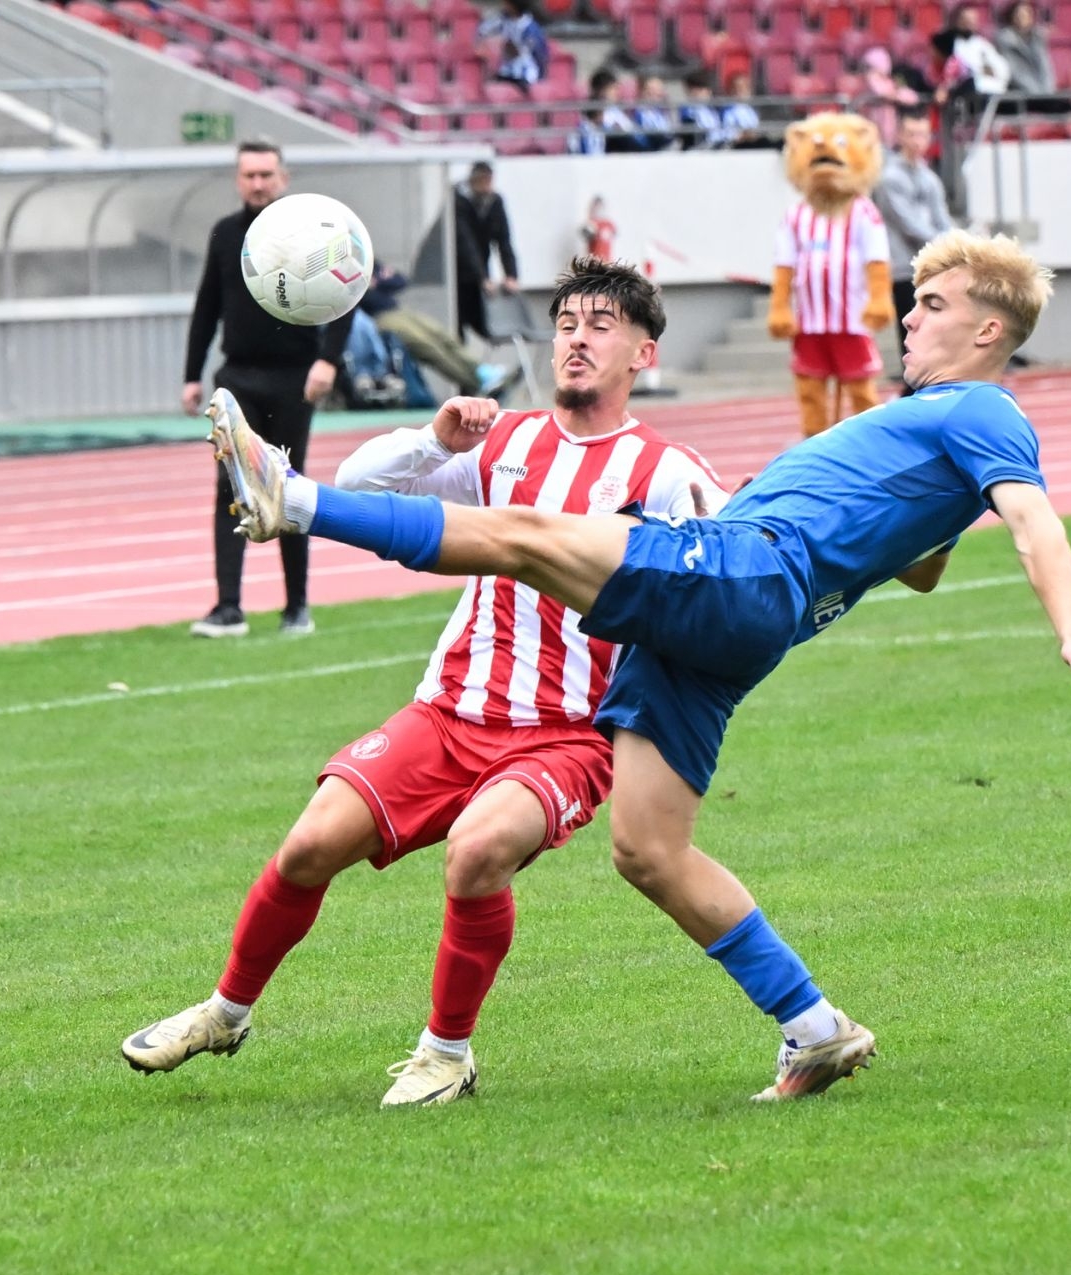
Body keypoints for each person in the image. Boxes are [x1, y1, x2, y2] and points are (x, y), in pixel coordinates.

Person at [204, 229, 1071, 1100]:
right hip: (740, 627)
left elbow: (1033, 519)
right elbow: (921, 569)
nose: (909, 317)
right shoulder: (929, 422)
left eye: (932, 305)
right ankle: (815, 1026)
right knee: (649, 851)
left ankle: (294, 500)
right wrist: (893, 512)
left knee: (525, 537)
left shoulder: (982, 407)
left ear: (988, 331)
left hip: (748, 570)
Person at [124, 257, 726, 1106]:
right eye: (566, 325)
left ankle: (446, 1055)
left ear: (644, 354)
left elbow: (731, 575)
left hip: (565, 736)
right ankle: (225, 1013)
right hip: (449, 711)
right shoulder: (506, 442)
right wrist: (436, 441)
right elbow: (363, 487)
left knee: (477, 853)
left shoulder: (666, 471)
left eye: (600, 326)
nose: (577, 341)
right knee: (308, 846)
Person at [182, 139, 345, 640]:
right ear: (238, 180)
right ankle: (228, 608)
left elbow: (345, 292)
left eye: (266, 175)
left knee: (287, 487)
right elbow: (207, 305)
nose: (258, 184)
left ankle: (297, 607)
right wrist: (191, 374)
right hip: (238, 377)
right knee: (230, 488)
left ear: (283, 178)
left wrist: (328, 360)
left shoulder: (310, 232)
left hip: (294, 379)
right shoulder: (226, 233)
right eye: (249, 175)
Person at [873, 110, 953, 386]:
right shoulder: (890, 178)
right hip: (904, 267)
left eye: (922, 134)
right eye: (911, 134)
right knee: (912, 334)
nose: (917, 140)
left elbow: (942, 218)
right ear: (899, 136)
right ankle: (912, 388)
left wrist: (956, 241)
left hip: (930, 266)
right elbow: (909, 225)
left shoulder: (929, 177)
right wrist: (946, 243)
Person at [361, 261, 517, 400]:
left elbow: (399, 280)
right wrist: (375, 282)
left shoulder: (365, 257)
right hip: (376, 319)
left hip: (397, 310)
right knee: (430, 347)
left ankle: (483, 372)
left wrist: (375, 282)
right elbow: (362, 294)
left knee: (442, 336)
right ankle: (479, 384)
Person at [453, 161, 521, 343]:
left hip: (479, 269)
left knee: (483, 321)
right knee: (459, 319)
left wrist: (511, 274)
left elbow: (504, 240)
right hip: (456, 271)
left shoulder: (494, 201)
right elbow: (465, 243)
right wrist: (482, 277)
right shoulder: (458, 201)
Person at [996, 1, 1069, 113]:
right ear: (1012, 17)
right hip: (1020, 94)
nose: (1023, 18)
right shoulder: (1005, 41)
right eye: (1019, 15)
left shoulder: (1038, 38)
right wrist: (1038, 94)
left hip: (1042, 93)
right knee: (1058, 107)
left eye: (1026, 14)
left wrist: (1047, 92)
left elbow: (1046, 67)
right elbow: (1015, 74)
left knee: (1067, 106)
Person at [479, 0, 549, 91]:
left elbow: (539, 53)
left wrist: (541, 74)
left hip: (525, 73)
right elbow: (483, 30)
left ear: (513, 6)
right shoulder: (503, 21)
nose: (504, 6)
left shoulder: (530, 28)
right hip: (507, 70)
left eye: (507, 4)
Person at [718, 71, 771, 149]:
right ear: (732, 89)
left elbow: (755, 129)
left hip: (752, 142)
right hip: (737, 146)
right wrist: (744, 135)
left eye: (746, 87)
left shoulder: (750, 110)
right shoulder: (728, 110)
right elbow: (727, 134)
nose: (743, 91)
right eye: (739, 87)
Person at [677, 69, 726, 149]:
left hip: (717, 146)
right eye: (700, 90)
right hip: (700, 148)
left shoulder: (713, 110)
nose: (708, 93)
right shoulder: (688, 110)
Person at [632, 74, 675, 152]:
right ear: (644, 92)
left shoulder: (662, 112)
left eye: (660, 89)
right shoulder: (642, 113)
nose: (658, 92)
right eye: (653, 89)